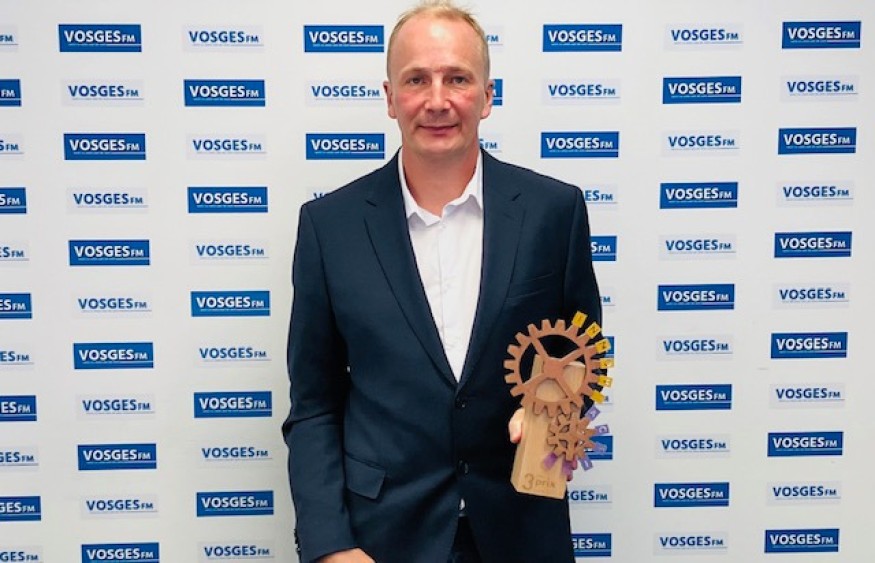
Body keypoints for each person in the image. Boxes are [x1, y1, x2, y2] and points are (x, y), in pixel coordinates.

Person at [282, 1, 601, 561]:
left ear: (487, 96)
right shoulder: (329, 227)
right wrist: (330, 546)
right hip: (381, 540)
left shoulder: (554, 211)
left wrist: (553, 421)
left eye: (457, 78)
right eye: (416, 80)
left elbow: (580, 353)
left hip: (522, 530)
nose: (437, 100)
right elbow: (314, 406)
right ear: (389, 98)